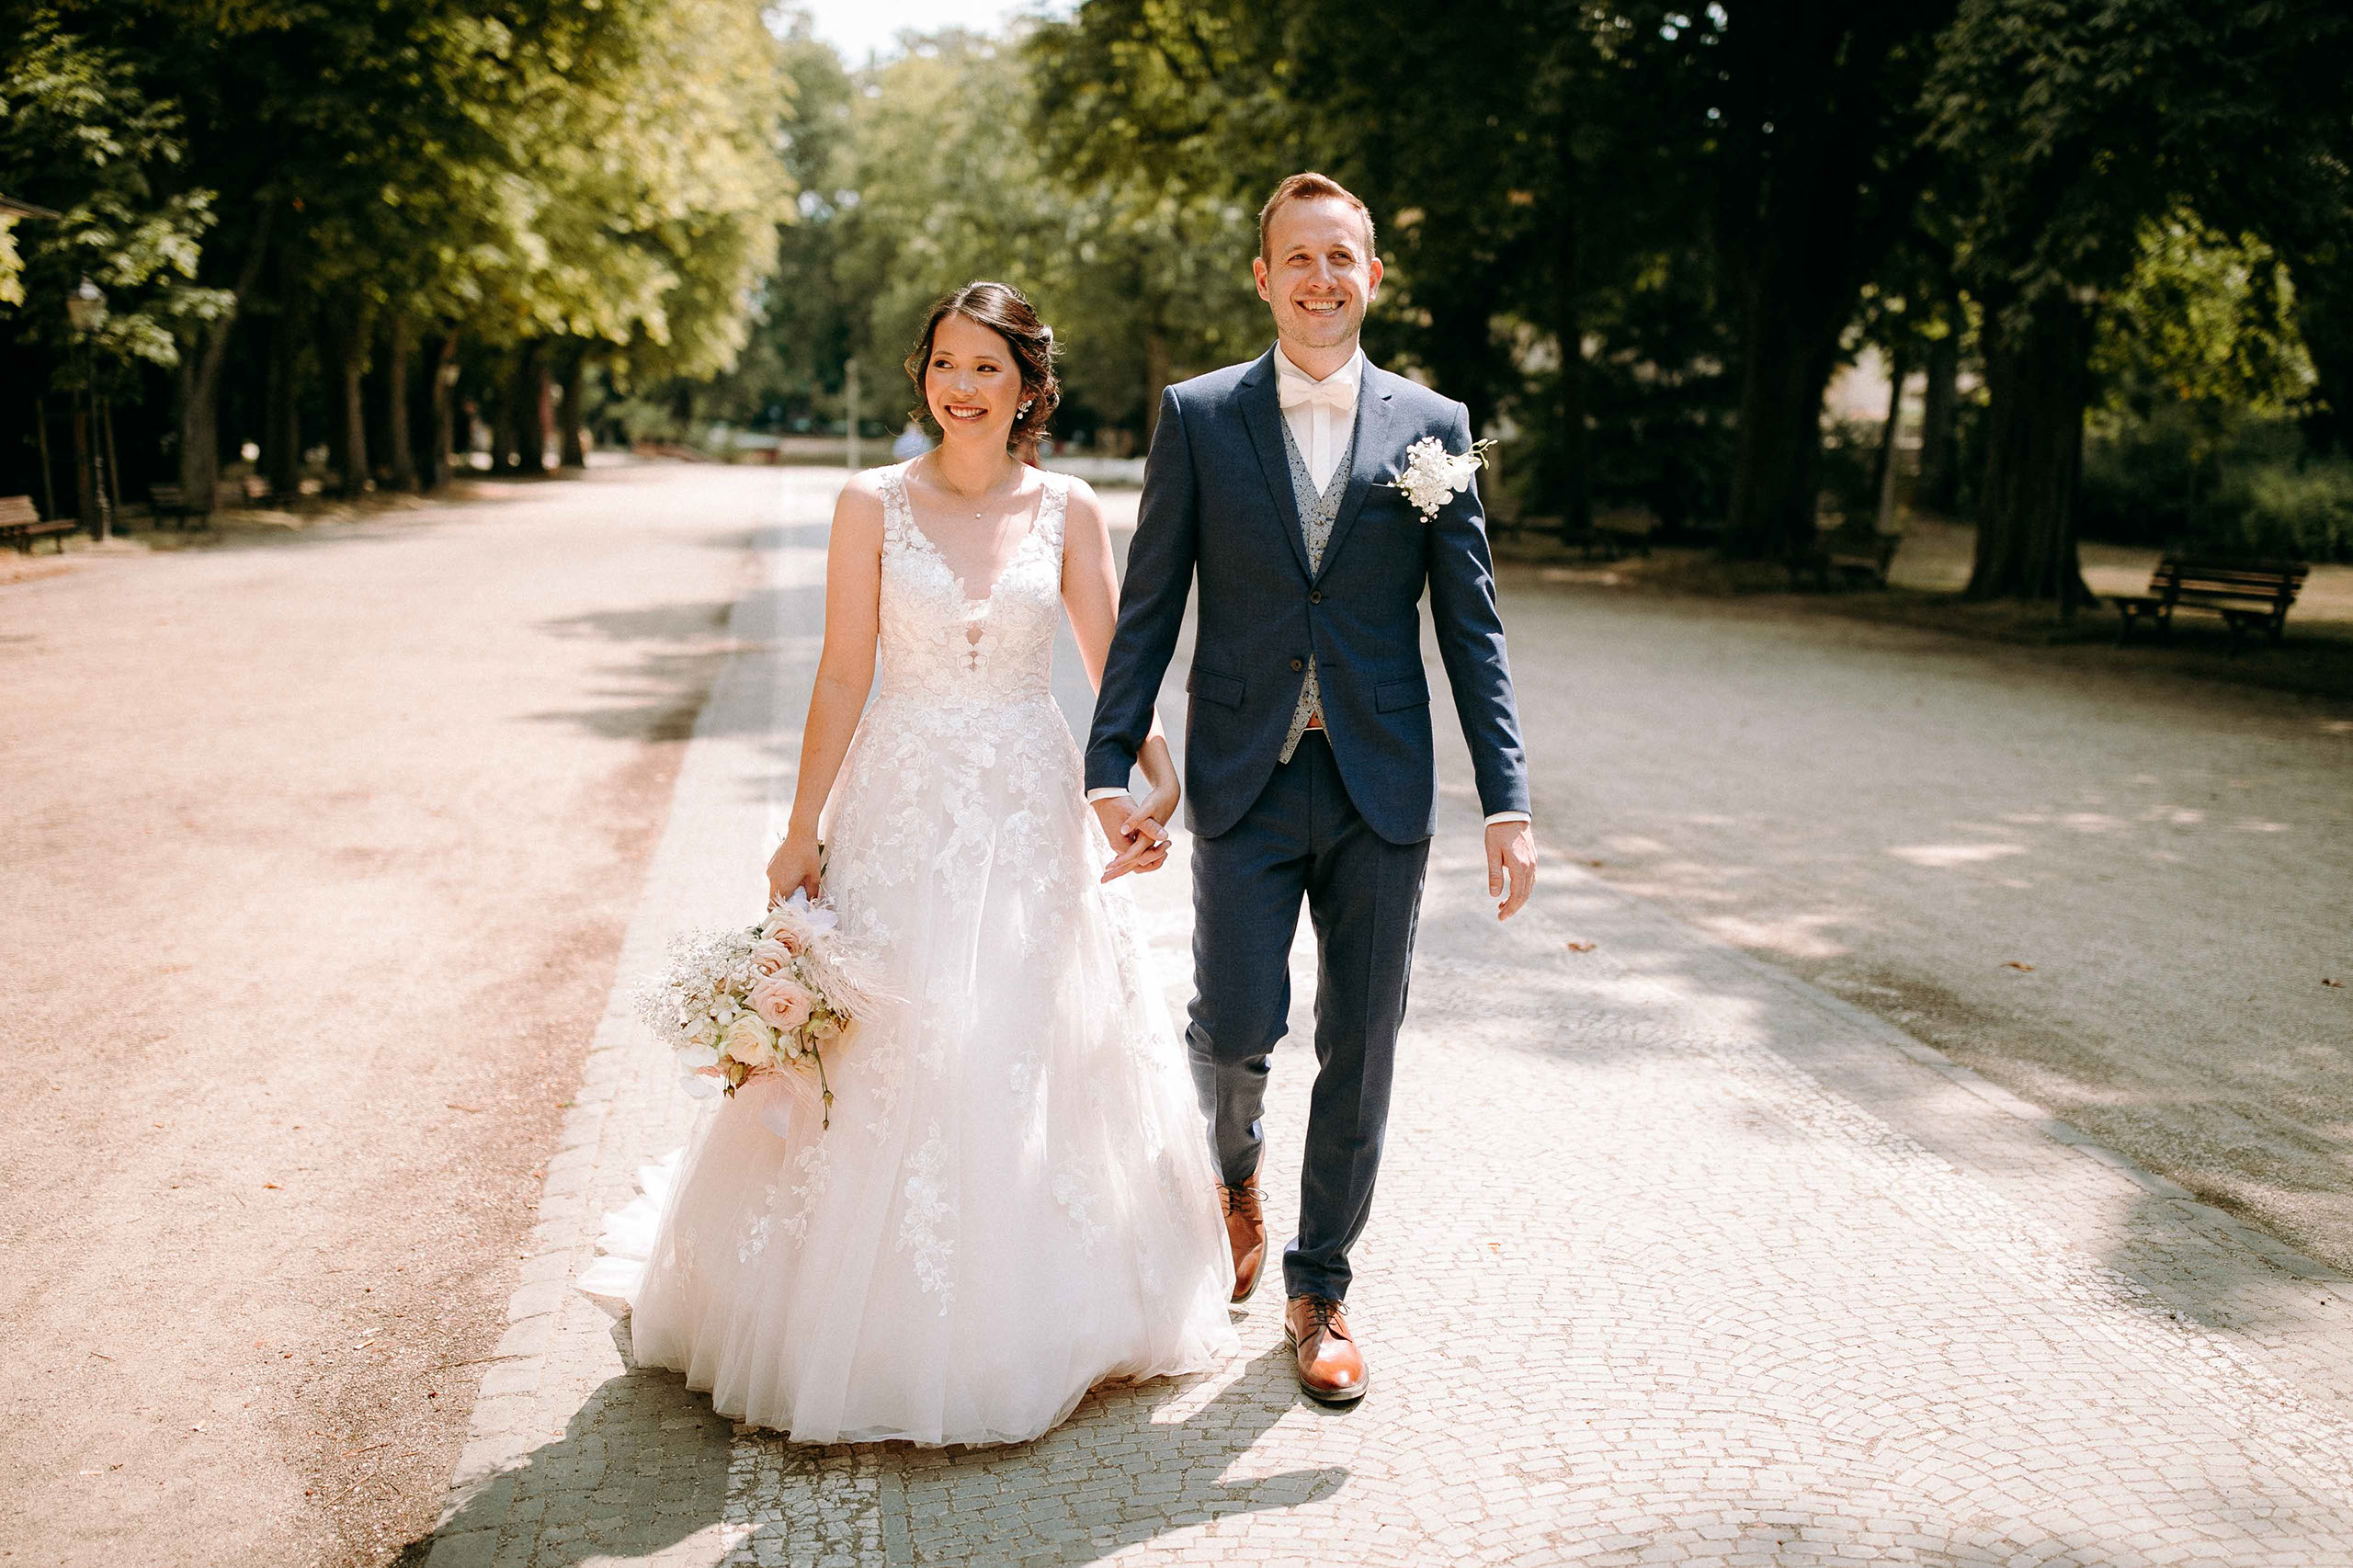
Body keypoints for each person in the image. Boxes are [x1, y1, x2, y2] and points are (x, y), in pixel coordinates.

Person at [583, 281, 1236, 1446]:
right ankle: (843, 1315)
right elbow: (842, 674)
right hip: (901, 794)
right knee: (895, 1029)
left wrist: (1155, 778)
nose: (961, 385)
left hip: (1028, 803)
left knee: (1020, 1036)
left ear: (1028, 383)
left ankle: (1041, 1307)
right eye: (944, 361)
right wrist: (800, 825)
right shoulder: (868, 502)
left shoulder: (1072, 507)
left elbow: (1111, 660)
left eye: (986, 365)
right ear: (922, 374)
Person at [1086, 172, 1536, 1404]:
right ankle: (1230, 1170)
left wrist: (1507, 799)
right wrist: (1107, 759)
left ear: (1372, 276)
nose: (1321, 279)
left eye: (1343, 258)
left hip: (1382, 781)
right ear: (1263, 275)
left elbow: (1472, 630)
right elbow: (1152, 599)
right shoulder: (1199, 414)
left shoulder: (1435, 424)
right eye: (1298, 258)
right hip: (1245, 770)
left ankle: (1320, 1283)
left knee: (1364, 1035)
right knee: (1234, 1024)